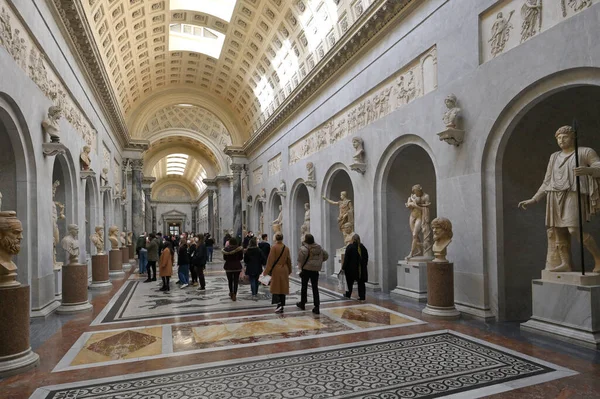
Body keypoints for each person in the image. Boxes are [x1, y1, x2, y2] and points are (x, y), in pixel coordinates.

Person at [519, 125, 600, 272]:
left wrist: (589, 170)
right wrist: (534, 199)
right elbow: (547, 181)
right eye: (559, 138)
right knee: (558, 231)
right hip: (554, 195)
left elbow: (598, 166)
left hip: (573, 193)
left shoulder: (585, 152)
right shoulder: (554, 156)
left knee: (573, 230)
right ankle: (565, 264)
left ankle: (598, 259)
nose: (562, 140)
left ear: (573, 137)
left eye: (565, 137)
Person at [296, 234, 329, 314]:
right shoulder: (319, 247)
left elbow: (300, 260)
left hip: (306, 269)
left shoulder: (304, 248)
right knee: (315, 288)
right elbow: (326, 255)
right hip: (315, 270)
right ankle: (317, 306)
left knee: (304, 287)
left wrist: (300, 268)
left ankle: (303, 303)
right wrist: (318, 262)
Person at [263, 233, 292, 313]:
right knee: (283, 288)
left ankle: (278, 304)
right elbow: (289, 260)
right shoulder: (286, 248)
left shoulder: (274, 247)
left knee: (276, 288)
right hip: (284, 269)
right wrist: (289, 270)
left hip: (276, 270)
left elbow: (270, 261)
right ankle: (282, 304)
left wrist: (266, 272)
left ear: (275, 238)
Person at [341, 233, 368, 301]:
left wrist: (343, 268)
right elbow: (366, 258)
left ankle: (348, 294)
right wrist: (364, 266)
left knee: (349, 283)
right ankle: (362, 296)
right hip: (360, 269)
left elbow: (346, 259)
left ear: (352, 239)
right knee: (361, 283)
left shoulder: (350, 247)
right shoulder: (363, 247)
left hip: (351, 269)